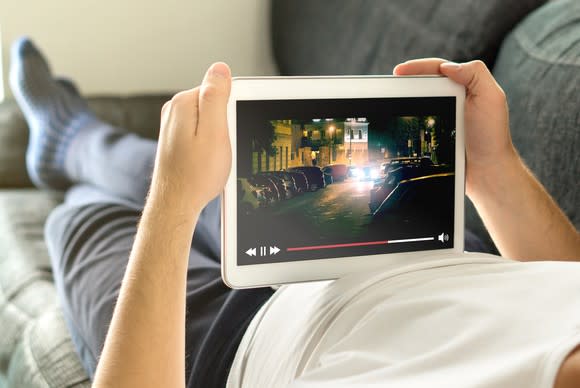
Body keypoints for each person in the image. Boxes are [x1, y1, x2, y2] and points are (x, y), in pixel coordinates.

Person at [9, 37, 580, 388]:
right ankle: (73, 139)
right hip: (433, 251)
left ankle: (72, 159)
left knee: (90, 220)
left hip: (242, 345)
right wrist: (492, 169)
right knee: (191, 168)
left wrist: (171, 207)